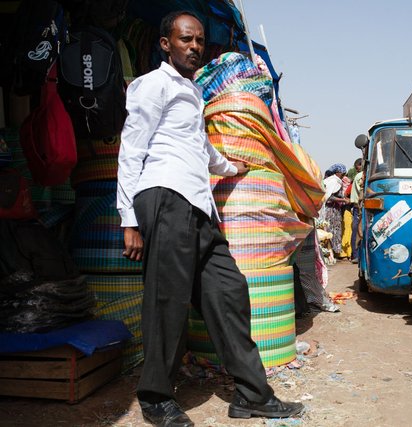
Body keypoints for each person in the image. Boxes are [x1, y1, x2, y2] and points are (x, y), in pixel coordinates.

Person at [116, 11, 303, 426]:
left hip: (199, 208)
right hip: (163, 196)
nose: (195, 46)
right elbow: (131, 149)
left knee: (230, 291)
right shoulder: (153, 85)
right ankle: (155, 398)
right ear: (166, 44)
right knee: (167, 300)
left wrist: (233, 167)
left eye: (199, 40)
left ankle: (252, 395)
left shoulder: (192, 93)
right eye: (186, 39)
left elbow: (200, 149)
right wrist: (128, 218)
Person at [321, 163, 350, 259]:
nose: (343, 175)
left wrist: (343, 197)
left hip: (333, 209)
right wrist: (343, 200)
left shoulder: (334, 180)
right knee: (333, 230)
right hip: (332, 210)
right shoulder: (334, 181)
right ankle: (334, 252)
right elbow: (330, 197)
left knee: (333, 230)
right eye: (342, 173)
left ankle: (333, 252)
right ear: (338, 172)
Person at [350, 159, 364, 263]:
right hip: (359, 207)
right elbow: (362, 192)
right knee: (358, 231)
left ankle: (356, 254)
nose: (356, 169)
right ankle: (357, 255)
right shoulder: (361, 176)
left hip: (357, 206)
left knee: (356, 230)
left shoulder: (359, 175)